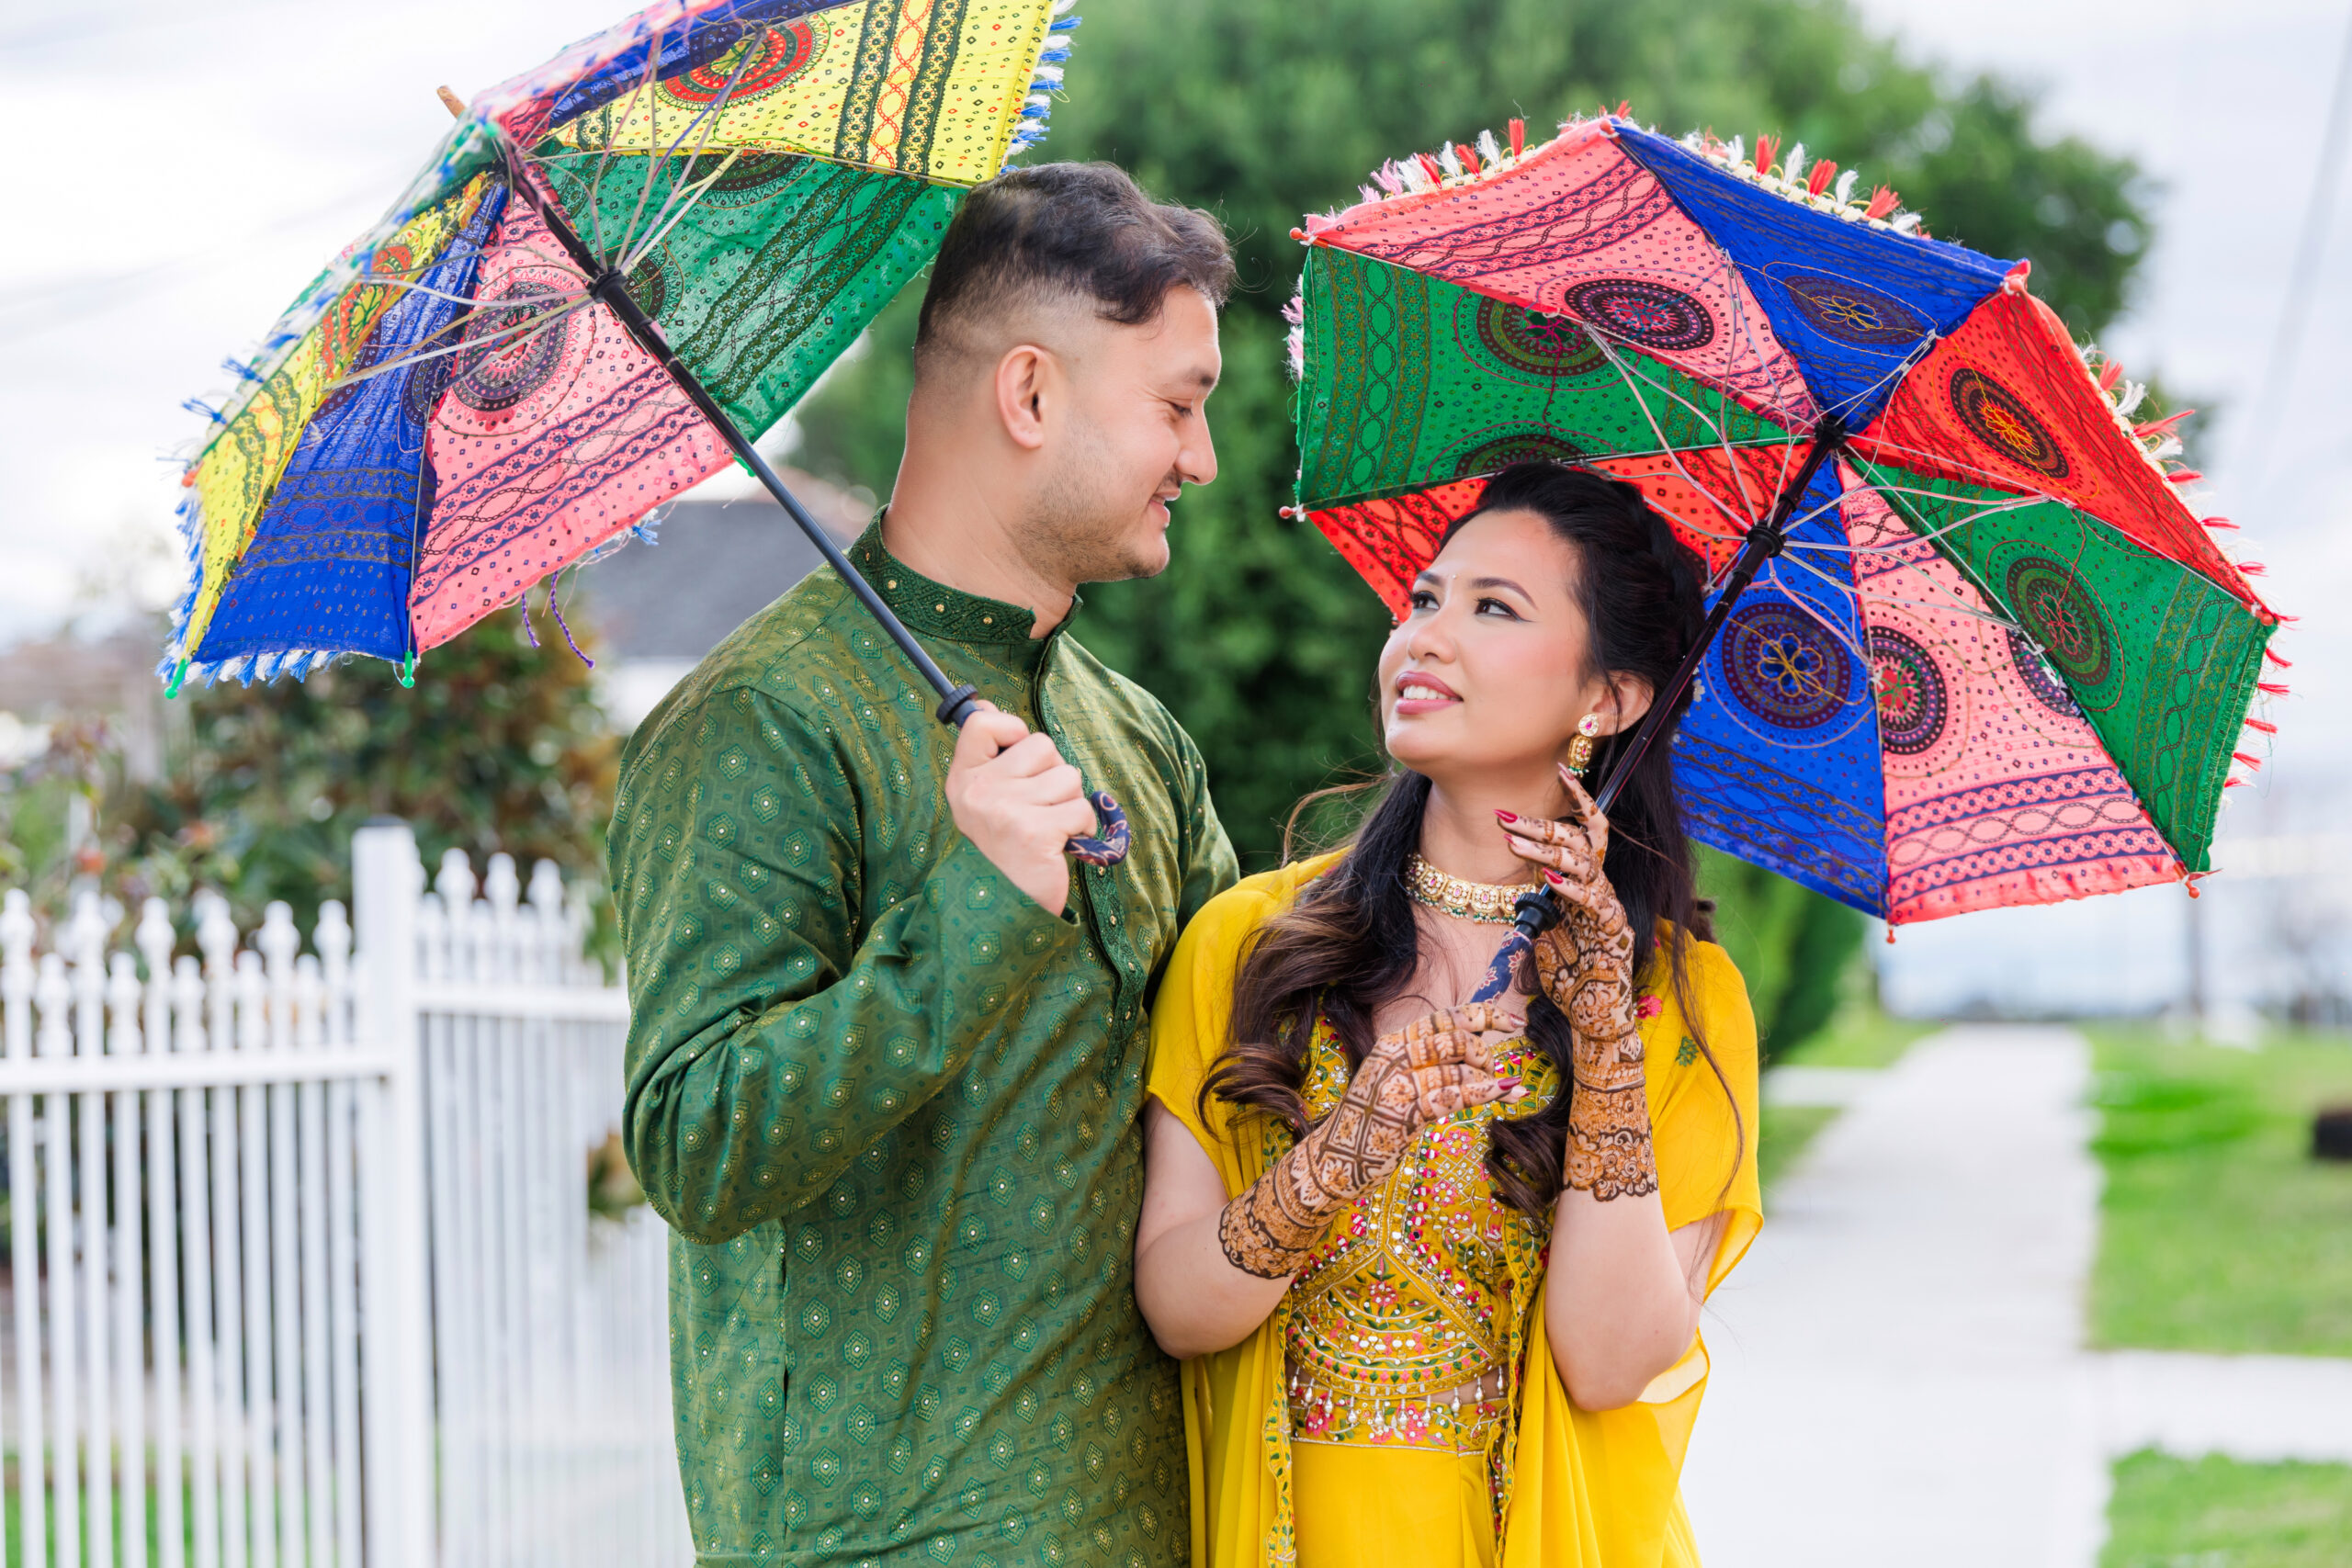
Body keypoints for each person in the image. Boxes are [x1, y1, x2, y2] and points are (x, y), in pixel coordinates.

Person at [609, 163, 1240, 1567]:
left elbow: (1242, 1062)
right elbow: (696, 1143)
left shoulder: (1140, 739)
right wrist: (974, 906)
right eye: (1178, 405)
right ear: (1030, 395)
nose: (1202, 459)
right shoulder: (762, 720)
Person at [1136, 462, 1762, 1568]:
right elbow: (1177, 1311)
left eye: (1493, 609)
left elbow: (1610, 1365)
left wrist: (1605, 1037)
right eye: (1423, 599)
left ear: (1608, 700)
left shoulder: (1682, 1001)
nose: (1422, 637)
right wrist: (1343, 1148)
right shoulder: (1249, 942)